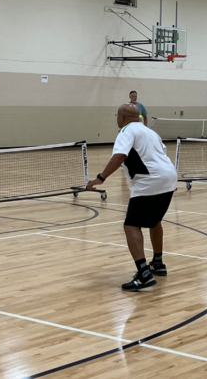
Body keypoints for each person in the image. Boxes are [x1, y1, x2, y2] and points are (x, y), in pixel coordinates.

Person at [87, 103, 177, 292]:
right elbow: (162, 153)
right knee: (155, 221)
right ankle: (158, 263)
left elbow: (120, 155)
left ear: (121, 117)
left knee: (130, 225)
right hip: (169, 177)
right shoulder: (150, 132)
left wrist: (100, 178)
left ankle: (144, 274)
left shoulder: (126, 131)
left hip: (149, 182)